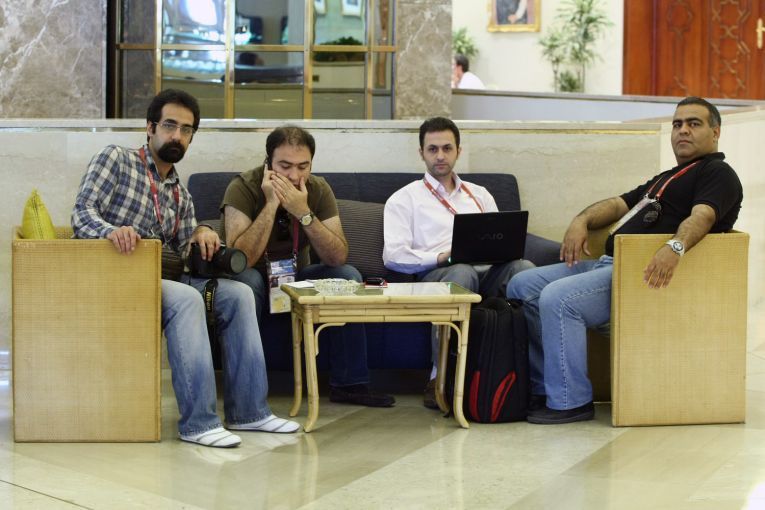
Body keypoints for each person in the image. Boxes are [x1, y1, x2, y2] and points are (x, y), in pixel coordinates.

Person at [72, 89, 299, 449]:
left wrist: (202, 234)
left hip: (162, 279)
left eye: (186, 129)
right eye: (169, 126)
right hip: (113, 276)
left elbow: (183, 252)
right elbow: (82, 213)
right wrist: (112, 232)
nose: (177, 136)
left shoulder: (181, 194)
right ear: (150, 127)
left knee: (239, 294)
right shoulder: (115, 159)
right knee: (186, 299)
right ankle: (198, 423)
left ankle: (250, 412)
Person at [507, 96, 743, 425]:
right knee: (522, 284)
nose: (683, 131)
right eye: (677, 124)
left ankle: (570, 401)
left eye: (694, 124)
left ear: (715, 132)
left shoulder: (717, 173)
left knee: (558, 298)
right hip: (609, 264)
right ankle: (543, 388)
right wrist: (581, 219)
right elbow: (620, 204)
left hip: (642, 275)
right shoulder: (668, 177)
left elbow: (703, 216)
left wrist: (674, 247)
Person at [221, 126, 395, 408]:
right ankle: (246, 389)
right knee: (247, 281)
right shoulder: (243, 187)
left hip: (296, 277)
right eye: (285, 166)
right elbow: (240, 260)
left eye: (303, 167)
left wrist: (303, 213)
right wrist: (271, 204)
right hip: (255, 277)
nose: (294, 176)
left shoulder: (317, 188)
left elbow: (337, 257)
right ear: (268, 163)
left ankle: (350, 385)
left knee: (347, 276)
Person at [383, 117, 535, 408]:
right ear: (421, 153)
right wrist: (440, 257)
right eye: (433, 149)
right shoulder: (405, 199)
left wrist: (505, 249)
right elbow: (393, 256)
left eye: (447, 148)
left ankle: (529, 377)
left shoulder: (480, 194)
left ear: (458, 151)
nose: (440, 155)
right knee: (461, 272)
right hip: (436, 275)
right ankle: (440, 379)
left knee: (524, 270)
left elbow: (500, 235)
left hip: (486, 270)